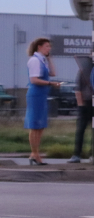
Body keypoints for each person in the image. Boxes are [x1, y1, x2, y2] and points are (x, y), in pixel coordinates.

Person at [24, 37, 60, 165]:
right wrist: (50, 83)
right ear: (39, 47)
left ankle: (35, 153)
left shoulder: (43, 60)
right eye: (46, 46)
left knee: (40, 126)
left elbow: (53, 73)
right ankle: (35, 153)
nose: (49, 49)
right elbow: (34, 79)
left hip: (42, 95)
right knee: (35, 125)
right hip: (36, 95)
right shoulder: (34, 60)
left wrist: (49, 59)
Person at [68, 64, 92, 163]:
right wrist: (81, 105)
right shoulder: (84, 70)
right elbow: (78, 89)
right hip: (86, 103)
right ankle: (77, 154)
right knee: (81, 130)